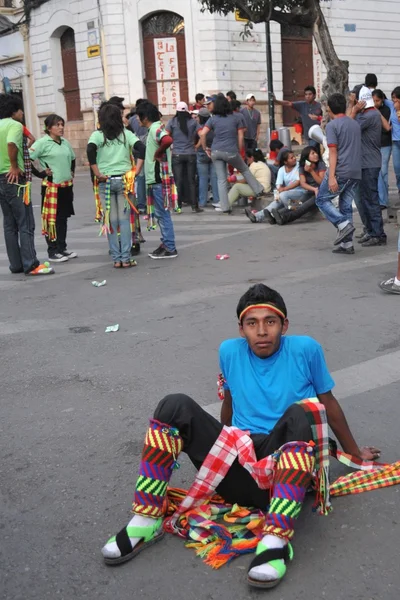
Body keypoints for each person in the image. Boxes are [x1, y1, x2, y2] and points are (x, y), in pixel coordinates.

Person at [100, 283, 380, 589]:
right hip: (239, 468)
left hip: (287, 474)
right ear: (241, 329)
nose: (261, 331)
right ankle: (146, 520)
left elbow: (328, 403)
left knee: (302, 411)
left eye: (270, 322)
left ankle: (276, 540)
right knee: (173, 405)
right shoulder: (229, 351)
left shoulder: (306, 349)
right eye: (252, 323)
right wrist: (219, 439)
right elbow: (229, 405)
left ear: (284, 325)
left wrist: (353, 453)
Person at [0, 94, 54, 276]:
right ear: (14, 110)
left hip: (1, 178)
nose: (22, 113)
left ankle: (16, 264)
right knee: (25, 222)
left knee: (9, 223)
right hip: (15, 178)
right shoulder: (14, 125)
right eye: (21, 110)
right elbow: (11, 144)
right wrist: (14, 166)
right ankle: (30, 264)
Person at [87, 104, 145, 268]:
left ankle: (116, 259)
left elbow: (90, 150)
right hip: (124, 182)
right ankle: (126, 258)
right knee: (124, 220)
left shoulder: (97, 135)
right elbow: (141, 148)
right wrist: (136, 170)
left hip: (105, 181)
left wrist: (97, 172)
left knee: (111, 221)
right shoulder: (126, 135)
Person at [199, 94, 263, 214]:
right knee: (244, 170)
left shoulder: (213, 119)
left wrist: (205, 148)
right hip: (231, 151)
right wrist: (240, 151)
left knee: (221, 179)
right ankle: (258, 189)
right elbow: (240, 137)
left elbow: (202, 134)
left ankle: (225, 206)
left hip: (216, 151)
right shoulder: (236, 117)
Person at [315, 93, 361, 255]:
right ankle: (347, 245)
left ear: (330, 108)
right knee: (345, 204)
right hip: (356, 170)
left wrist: (332, 176)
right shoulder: (354, 124)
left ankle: (343, 225)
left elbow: (333, 152)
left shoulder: (332, 126)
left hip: (342, 169)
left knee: (321, 199)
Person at [28, 114, 77, 263]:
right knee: (51, 220)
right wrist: (40, 174)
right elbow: (27, 159)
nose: (61, 127)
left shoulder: (65, 143)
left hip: (66, 186)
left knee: (63, 218)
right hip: (51, 188)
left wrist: (72, 171)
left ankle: (62, 247)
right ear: (49, 128)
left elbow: (73, 158)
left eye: (62, 124)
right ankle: (52, 250)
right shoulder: (43, 143)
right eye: (57, 125)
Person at [136, 101, 178, 259]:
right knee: (161, 214)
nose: (138, 121)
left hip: (158, 179)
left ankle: (169, 246)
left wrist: (158, 153)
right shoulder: (154, 128)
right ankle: (166, 242)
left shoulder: (155, 128)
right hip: (156, 179)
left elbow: (167, 140)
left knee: (163, 214)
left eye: (139, 117)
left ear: (145, 117)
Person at [349, 86, 386, 247]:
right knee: (366, 199)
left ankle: (378, 234)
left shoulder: (368, 116)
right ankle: (371, 231)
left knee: (371, 200)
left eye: (355, 99)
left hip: (369, 163)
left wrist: (353, 109)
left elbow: (347, 127)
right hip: (366, 162)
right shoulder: (368, 115)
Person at [245, 150, 306, 225]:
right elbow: (278, 185)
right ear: (285, 162)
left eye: (294, 157)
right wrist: (278, 192)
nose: (294, 158)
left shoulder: (299, 166)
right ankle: (257, 216)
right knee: (275, 202)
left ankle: (281, 213)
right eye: (291, 158)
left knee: (283, 195)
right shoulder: (281, 169)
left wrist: (284, 189)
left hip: (300, 191)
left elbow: (298, 182)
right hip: (287, 193)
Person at [272, 145, 326, 226]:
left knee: (303, 207)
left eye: (316, 153)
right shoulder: (302, 167)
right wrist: (314, 189)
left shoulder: (321, 164)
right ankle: (276, 216)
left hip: (321, 193)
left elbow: (321, 182)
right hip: (310, 191)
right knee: (297, 204)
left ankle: (284, 218)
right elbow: (303, 183)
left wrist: (311, 171)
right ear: (307, 157)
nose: (316, 155)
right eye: (313, 153)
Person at [166, 101, 202, 213]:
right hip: (191, 153)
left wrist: (172, 146)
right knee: (191, 180)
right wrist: (197, 145)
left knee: (178, 180)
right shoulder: (193, 122)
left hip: (177, 154)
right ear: (187, 110)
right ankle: (194, 206)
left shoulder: (172, 122)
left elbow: (166, 136)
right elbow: (202, 134)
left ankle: (178, 206)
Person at [195, 107, 219, 208]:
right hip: (213, 153)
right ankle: (218, 200)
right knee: (215, 178)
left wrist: (204, 148)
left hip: (202, 153)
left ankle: (202, 201)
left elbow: (201, 136)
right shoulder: (213, 126)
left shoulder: (199, 127)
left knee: (203, 178)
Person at [372, 90, 392, 209]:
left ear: (382, 100)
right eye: (373, 101)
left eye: (377, 101)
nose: (375, 103)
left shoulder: (386, 111)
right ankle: (383, 199)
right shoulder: (370, 111)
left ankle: (383, 200)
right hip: (374, 144)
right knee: (379, 173)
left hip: (385, 144)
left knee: (383, 171)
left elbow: (386, 129)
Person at [129, 99, 149, 214]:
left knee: (140, 178)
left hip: (136, 152)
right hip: (146, 151)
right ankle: (147, 203)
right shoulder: (146, 119)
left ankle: (141, 204)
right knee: (147, 177)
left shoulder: (131, 120)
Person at [384, 87, 400, 200]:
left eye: (396, 98)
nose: (394, 101)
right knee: (397, 169)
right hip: (395, 142)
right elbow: (379, 97)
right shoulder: (391, 106)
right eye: (393, 98)